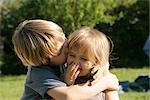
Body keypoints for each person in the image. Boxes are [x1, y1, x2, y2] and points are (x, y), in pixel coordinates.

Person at [12, 19, 119, 100]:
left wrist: (103, 67)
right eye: (60, 51)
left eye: (65, 40)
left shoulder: (66, 59)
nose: (68, 49)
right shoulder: (38, 72)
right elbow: (68, 96)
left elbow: (95, 54)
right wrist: (105, 83)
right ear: (45, 60)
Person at [63, 26, 119, 100]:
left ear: (96, 62)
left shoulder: (102, 79)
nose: (76, 62)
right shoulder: (62, 76)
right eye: (72, 55)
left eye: (84, 59)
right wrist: (68, 83)